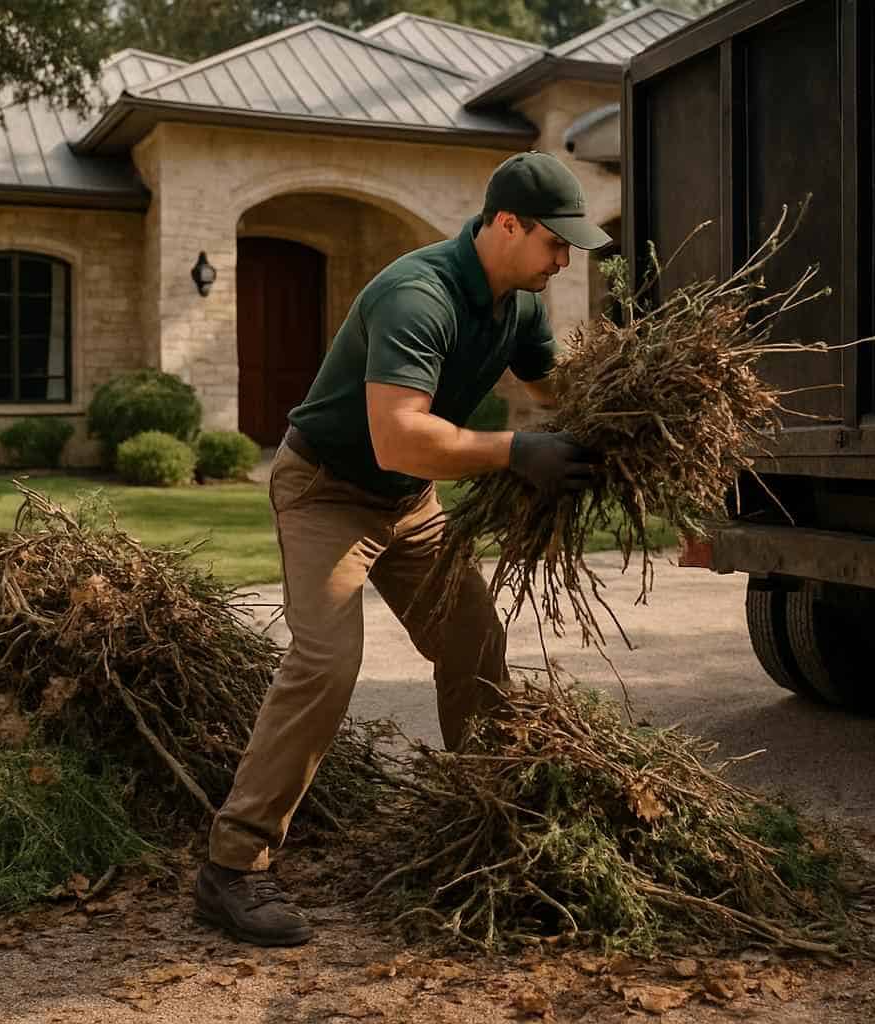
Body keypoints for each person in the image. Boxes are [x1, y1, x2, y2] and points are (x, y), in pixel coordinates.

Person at [195, 151, 612, 947]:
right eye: (555, 242)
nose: (564, 259)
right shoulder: (417, 295)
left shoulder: (518, 307)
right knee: (325, 663)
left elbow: (561, 392)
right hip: (328, 488)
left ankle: (488, 818)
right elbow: (397, 437)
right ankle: (233, 867)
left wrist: (616, 417)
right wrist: (515, 452)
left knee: (474, 639)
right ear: (505, 224)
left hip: (408, 502)